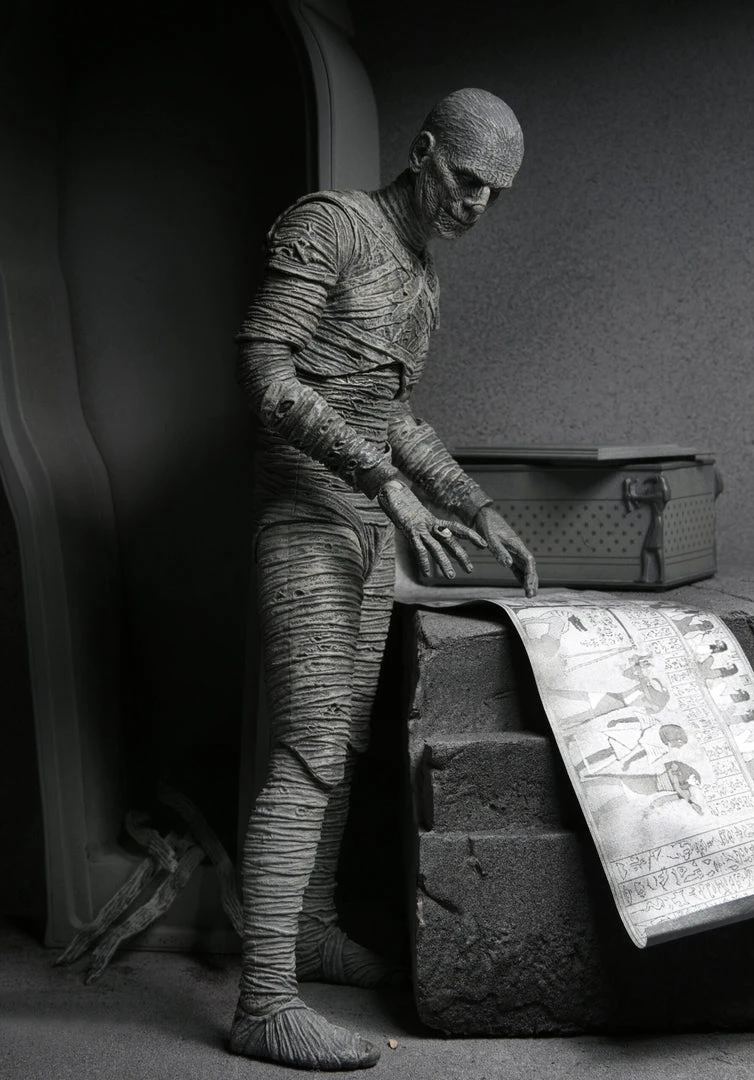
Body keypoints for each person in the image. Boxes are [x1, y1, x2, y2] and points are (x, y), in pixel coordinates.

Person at [230, 89, 537, 1070]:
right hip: (307, 521)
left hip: (366, 524)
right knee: (309, 749)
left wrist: (474, 507)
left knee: (346, 746)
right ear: (422, 151)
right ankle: (264, 1002)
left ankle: (310, 931)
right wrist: (382, 485)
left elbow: (391, 414)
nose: (477, 204)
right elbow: (266, 371)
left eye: (496, 193)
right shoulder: (333, 225)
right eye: (467, 179)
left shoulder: (421, 271)